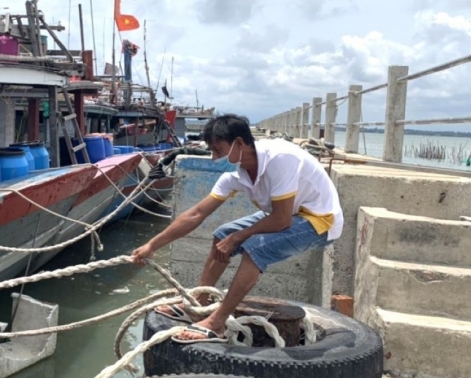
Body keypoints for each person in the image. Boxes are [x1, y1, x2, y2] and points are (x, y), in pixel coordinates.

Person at [132, 114, 343, 343]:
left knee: (254, 247)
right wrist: (151, 245)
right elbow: (196, 214)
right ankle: (198, 304)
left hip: (320, 219)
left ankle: (217, 322)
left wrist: (239, 236)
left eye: (218, 150)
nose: (214, 158)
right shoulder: (235, 175)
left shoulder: (280, 159)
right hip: (288, 213)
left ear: (239, 143)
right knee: (222, 234)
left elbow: (281, 220)